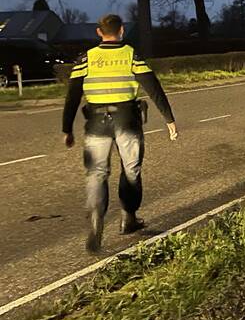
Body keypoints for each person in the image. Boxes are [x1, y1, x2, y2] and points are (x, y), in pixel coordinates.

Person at [62, 14, 178, 253]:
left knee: (96, 173)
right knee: (131, 170)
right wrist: (169, 119)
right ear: (122, 31)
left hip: (95, 123)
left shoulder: (86, 58)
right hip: (127, 121)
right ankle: (128, 217)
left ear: (99, 32)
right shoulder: (131, 55)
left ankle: (96, 220)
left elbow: (72, 95)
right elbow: (153, 87)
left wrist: (67, 129)